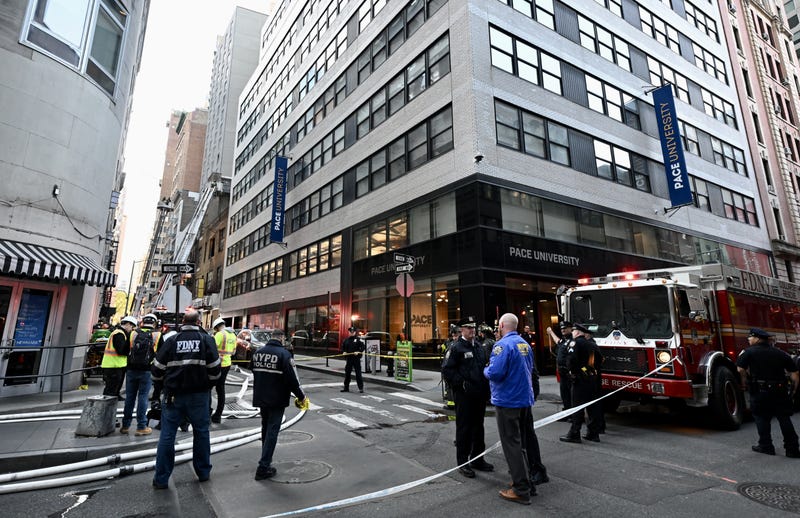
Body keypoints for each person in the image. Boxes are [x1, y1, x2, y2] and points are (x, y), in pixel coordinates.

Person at [151, 310, 221, 489]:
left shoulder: (172, 340)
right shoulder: (206, 340)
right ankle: (203, 472)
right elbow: (215, 371)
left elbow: (157, 370)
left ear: (183, 321)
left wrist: (162, 387)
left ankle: (161, 479)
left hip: (173, 395)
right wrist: (207, 386)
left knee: (167, 435)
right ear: (199, 322)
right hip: (199, 395)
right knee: (201, 432)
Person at [484, 313, 534, 505]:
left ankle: (521, 489)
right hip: (524, 399)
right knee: (520, 443)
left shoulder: (502, 345)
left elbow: (495, 373)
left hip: (507, 401)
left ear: (502, 325)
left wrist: (485, 370)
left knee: (511, 444)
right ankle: (525, 480)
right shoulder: (524, 344)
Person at [251, 329, 309, 480]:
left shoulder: (258, 353)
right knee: (272, 431)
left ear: (272, 337)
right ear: (281, 338)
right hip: (277, 399)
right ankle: (263, 466)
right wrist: (301, 396)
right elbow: (292, 381)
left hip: (261, 397)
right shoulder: (284, 355)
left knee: (265, 428)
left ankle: (266, 460)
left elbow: (253, 371)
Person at [441, 316, 493, 478]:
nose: (472, 330)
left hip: (479, 394)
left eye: (473, 327)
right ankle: (463, 463)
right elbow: (447, 370)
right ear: (461, 330)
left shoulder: (478, 347)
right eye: (469, 328)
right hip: (464, 396)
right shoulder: (456, 347)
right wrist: (462, 384)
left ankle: (478, 459)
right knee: (464, 428)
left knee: (479, 427)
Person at [736, 328, 799, 458]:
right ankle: (792, 449)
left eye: (750, 337)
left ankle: (766, 446)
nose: (748, 339)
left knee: (761, 417)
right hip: (780, 390)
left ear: (757, 338)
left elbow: (740, 369)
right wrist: (793, 390)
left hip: (760, 391)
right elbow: (795, 374)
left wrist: (744, 381)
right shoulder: (780, 353)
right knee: (784, 418)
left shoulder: (748, 352)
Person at [560, 323, 603, 443]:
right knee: (592, 406)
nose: (572, 333)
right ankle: (593, 433)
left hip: (579, 379)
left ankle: (574, 433)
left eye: (573, 331)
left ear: (578, 332)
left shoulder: (575, 343)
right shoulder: (592, 344)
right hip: (592, 378)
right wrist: (590, 369)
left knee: (577, 407)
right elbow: (600, 359)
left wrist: (572, 372)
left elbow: (571, 360)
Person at [121, 313, 162, 436]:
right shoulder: (157, 335)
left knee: (130, 397)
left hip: (131, 369)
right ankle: (141, 427)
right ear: (154, 323)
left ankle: (125, 426)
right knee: (143, 397)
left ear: (142, 322)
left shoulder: (133, 333)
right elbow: (162, 354)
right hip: (147, 370)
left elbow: (124, 350)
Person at [101, 316, 137, 400]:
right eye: (132, 326)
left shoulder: (120, 333)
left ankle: (115, 397)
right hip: (113, 366)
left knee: (114, 387)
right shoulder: (119, 334)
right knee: (111, 389)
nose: (132, 329)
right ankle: (107, 404)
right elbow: (121, 350)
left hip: (116, 365)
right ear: (128, 324)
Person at [210, 317, 236, 423]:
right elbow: (233, 352)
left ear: (217, 327)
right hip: (227, 364)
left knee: (208, 387)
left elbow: (212, 349)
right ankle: (218, 415)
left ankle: (207, 411)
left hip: (218, 364)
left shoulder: (220, 334)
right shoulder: (233, 335)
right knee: (221, 389)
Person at [547, 321, 573, 416]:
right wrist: (551, 332)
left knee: (571, 395)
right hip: (562, 372)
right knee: (564, 394)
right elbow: (557, 341)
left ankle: (573, 415)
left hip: (569, 372)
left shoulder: (573, 341)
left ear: (571, 328)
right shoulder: (564, 340)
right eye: (562, 329)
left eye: (565, 328)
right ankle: (567, 412)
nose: (563, 330)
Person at [341, 326, 364, 393]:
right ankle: (346, 388)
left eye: (353, 332)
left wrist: (359, 351)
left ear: (355, 332)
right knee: (347, 374)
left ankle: (360, 388)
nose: (351, 333)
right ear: (349, 332)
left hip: (356, 359)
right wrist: (344, 352)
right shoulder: (346, 340)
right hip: (349, 359)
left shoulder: (358, 339)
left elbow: (363, 347)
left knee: (358, 374)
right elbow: (343, 347)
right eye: (350, 332)